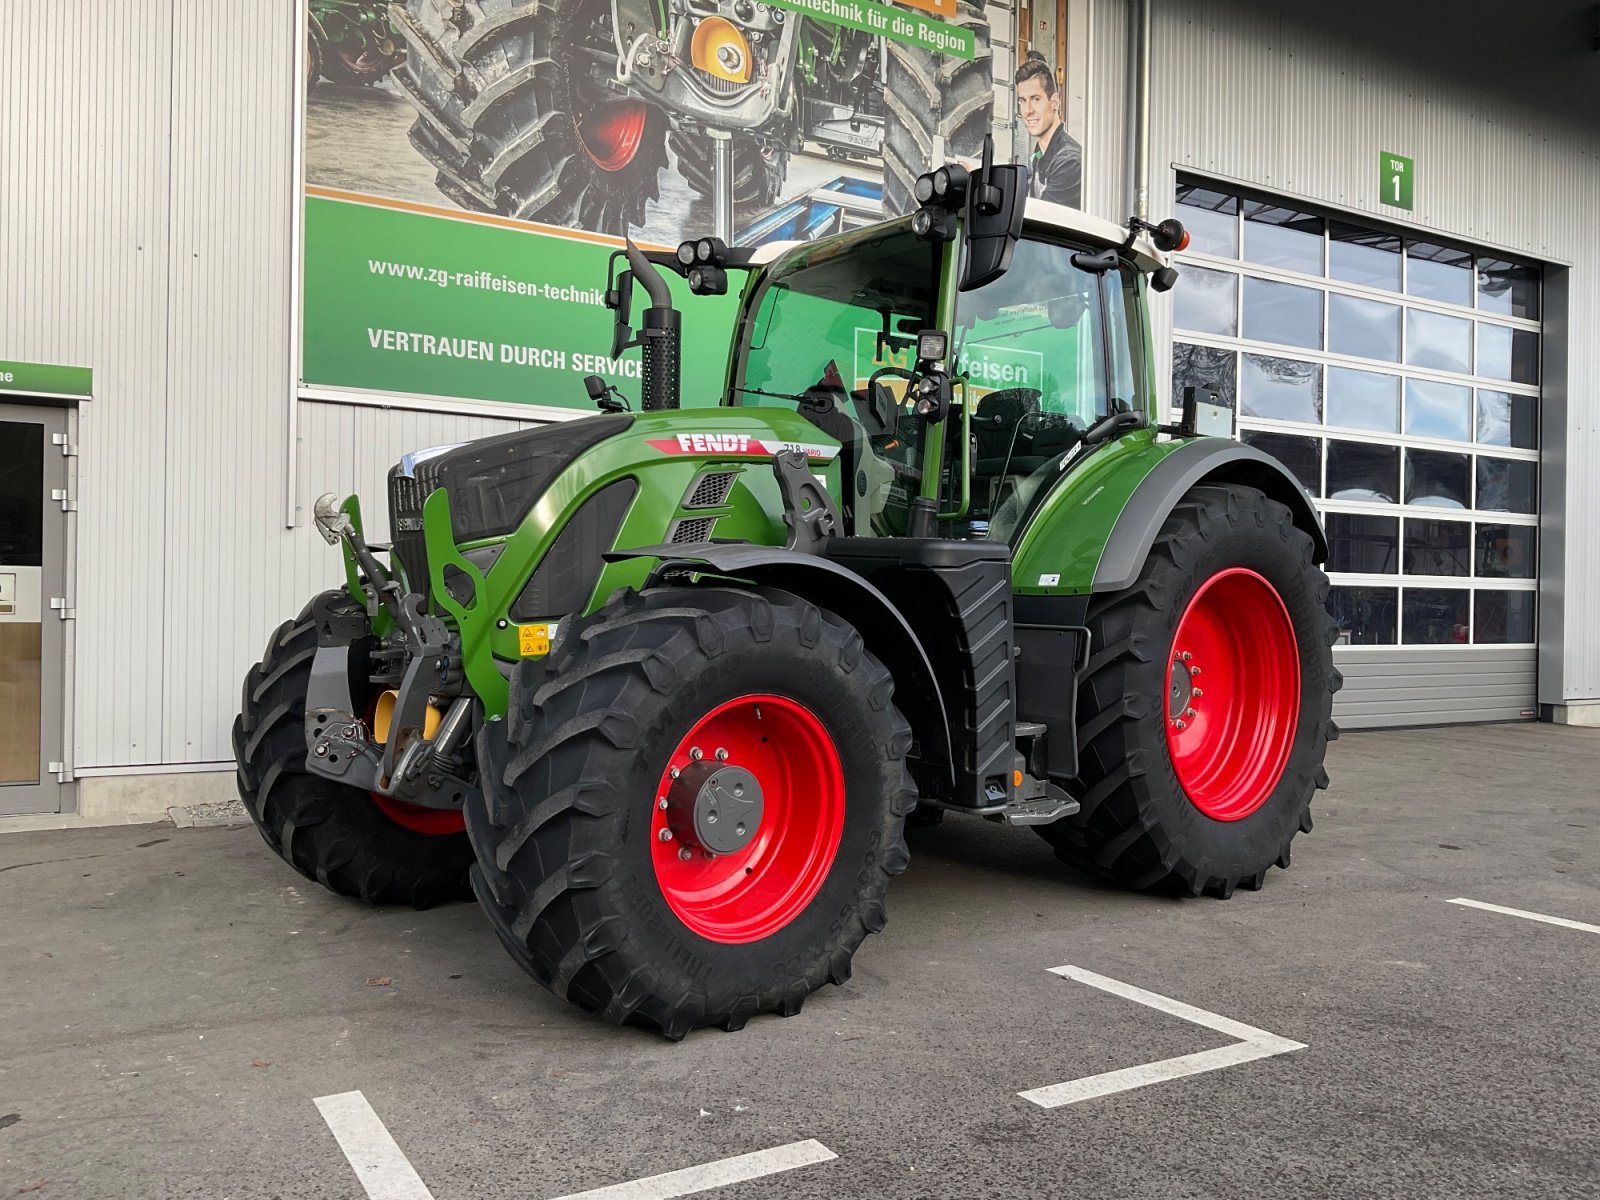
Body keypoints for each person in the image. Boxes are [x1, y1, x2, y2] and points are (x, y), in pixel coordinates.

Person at [1015, 56, 1082, 208]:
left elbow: (1044, 217)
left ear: (1055, 103)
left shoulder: (1069, 162)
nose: (1028, 110)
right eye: (1022, 101)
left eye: (1036, 99)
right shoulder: (1038, 156)